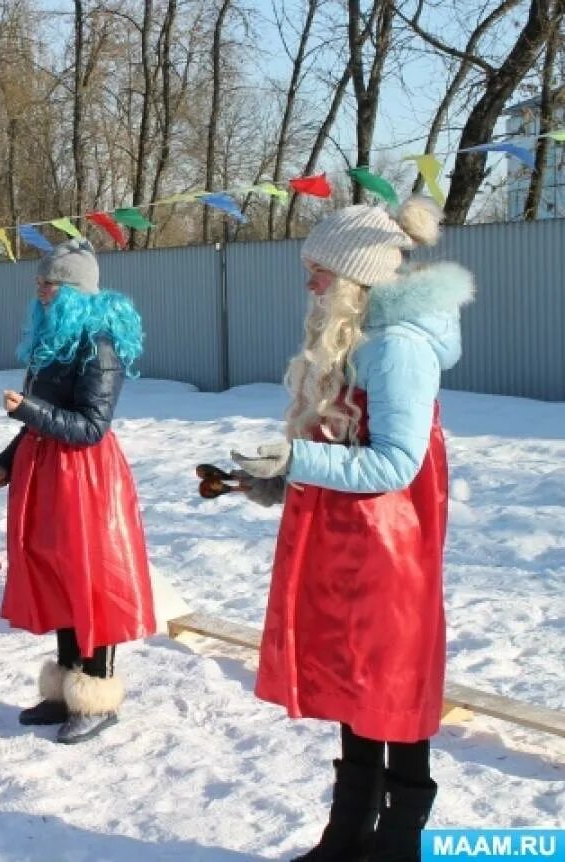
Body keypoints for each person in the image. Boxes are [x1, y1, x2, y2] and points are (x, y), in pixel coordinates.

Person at [230, 197, 474, 861]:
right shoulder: (359, 339)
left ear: (355, 278)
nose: (309, 283)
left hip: (388, 555)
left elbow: (395, 463)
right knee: (354, 689)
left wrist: (298, 457)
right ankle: (347, 833)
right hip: (350, 547)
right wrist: (277, 482)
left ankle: (395, 843)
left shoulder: (396, 348)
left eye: (319, 271)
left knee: (389, 691)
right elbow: (347, 445)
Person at [0, 238, 155, 744]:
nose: (39, 289)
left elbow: (91, 427)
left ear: (75, 291)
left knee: (91, 582)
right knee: (59, 576)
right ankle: (64, 688)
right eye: (40, 281)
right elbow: (40, 415)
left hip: (85, 478)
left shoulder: (97, 344)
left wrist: (26, 411)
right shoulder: (53, 342)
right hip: (48, 474)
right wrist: (7, 462)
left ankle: (97, 693)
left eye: (50, 282)